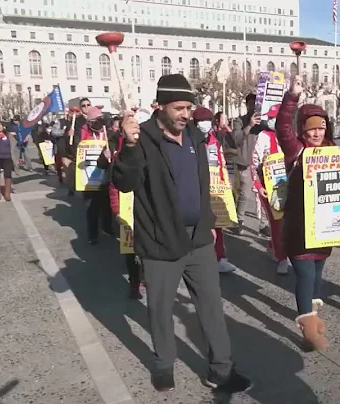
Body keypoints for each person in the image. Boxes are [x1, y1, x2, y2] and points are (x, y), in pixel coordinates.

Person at [112, 74, 251, 393]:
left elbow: (203, 184)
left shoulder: (194, 136)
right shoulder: (142, 138)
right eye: (179, 107)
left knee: (212, 306)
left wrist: (210, 225)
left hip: (199, 239)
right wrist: (130, 147)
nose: (186, 113)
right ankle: (163, 364)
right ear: (160, 106)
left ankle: (221, 370)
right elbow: (125, 183)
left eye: (189, 107)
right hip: (161, 242)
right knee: (160, 309)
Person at [275, 76, 333, 351]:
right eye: (311, 129)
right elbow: (282, 127)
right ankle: (309, 330)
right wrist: (291, 97)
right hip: (299, 228)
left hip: (326, 228)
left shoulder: (334, 152)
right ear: (303, 131)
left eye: (321, 128)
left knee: (318, 275)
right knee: (306, 276)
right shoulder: (295, 150)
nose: (316, 134)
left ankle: (313, 318)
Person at [96, 118, 143, 299]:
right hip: (124, 199)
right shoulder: (114, 143)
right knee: (129, 245)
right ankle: (134, 283)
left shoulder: (143, 144)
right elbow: (113, 181)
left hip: (143, 203)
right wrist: (116, 210)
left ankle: (146, 275)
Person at [193, 106, 241, 274]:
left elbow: (221, 158)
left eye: (207, 121)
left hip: (216, 188)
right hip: (196, 190)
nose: (204, 125)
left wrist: (226, 180)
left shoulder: (215, 140)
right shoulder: (190, 139)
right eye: (201, 122)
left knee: (218, 224)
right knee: (200, 227)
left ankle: (220, 258)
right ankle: (199, 261)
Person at [251, 103, 290, 275]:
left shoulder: (290, 136)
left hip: (290, 183)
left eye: (276, 117)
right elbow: (254, 163)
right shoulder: (263, 137)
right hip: (270, 185)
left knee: (288, 222)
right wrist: (258, 186)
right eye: (271, 117)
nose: (272, 120)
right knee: (277, 222)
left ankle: (273, 246)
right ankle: (282, 257)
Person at [74, 106, 115, 244]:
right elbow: (75, 150)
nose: (98, 123)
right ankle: (93, 235)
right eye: (95, 120)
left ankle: (107, 229)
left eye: (100, 119)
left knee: (107, 205)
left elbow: (114, 147)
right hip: (88, 178)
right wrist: (72, 138)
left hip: (105, 176)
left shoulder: (108, 134)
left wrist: (110, 154)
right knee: (91, 208)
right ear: (89, 122)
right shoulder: (82, 133)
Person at [230, 93, 261, 234]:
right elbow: (236, 139)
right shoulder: (239, 121)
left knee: (264, 194)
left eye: (256, 104)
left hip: (261, 163)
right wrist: (249, 125)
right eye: (251, 104)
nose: (253, 107)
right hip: (245, 162)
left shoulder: (264, 122)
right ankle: (239, 219)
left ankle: (265, 224)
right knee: (244, 193)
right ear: (247, 105)